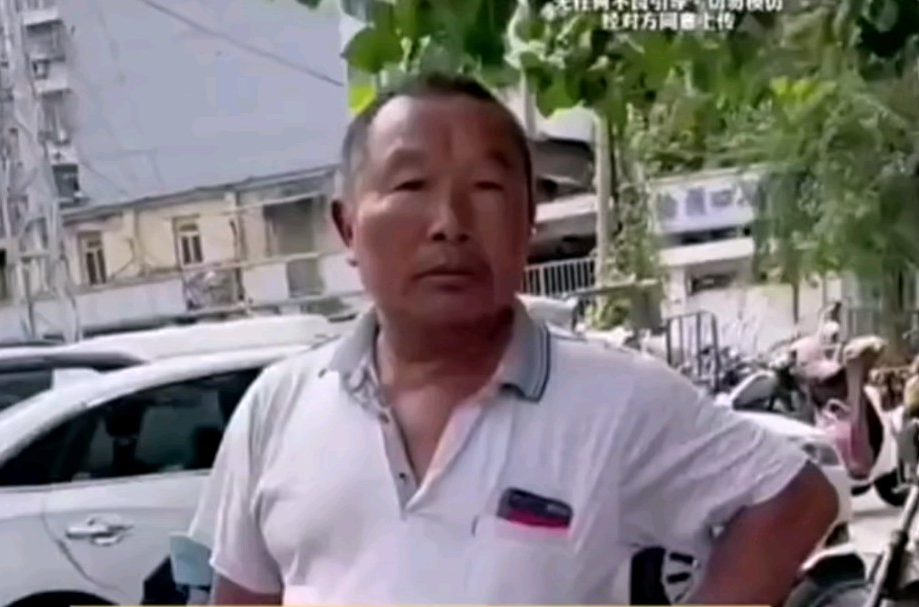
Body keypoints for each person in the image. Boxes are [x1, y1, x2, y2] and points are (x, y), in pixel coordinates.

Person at [198, 72, 838, 606]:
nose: (449, 223)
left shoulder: (618, 399)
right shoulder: (277, 407)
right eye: (412, 186)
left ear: (528, 221)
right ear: (347, 228)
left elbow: (794, 498)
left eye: (485, 188)